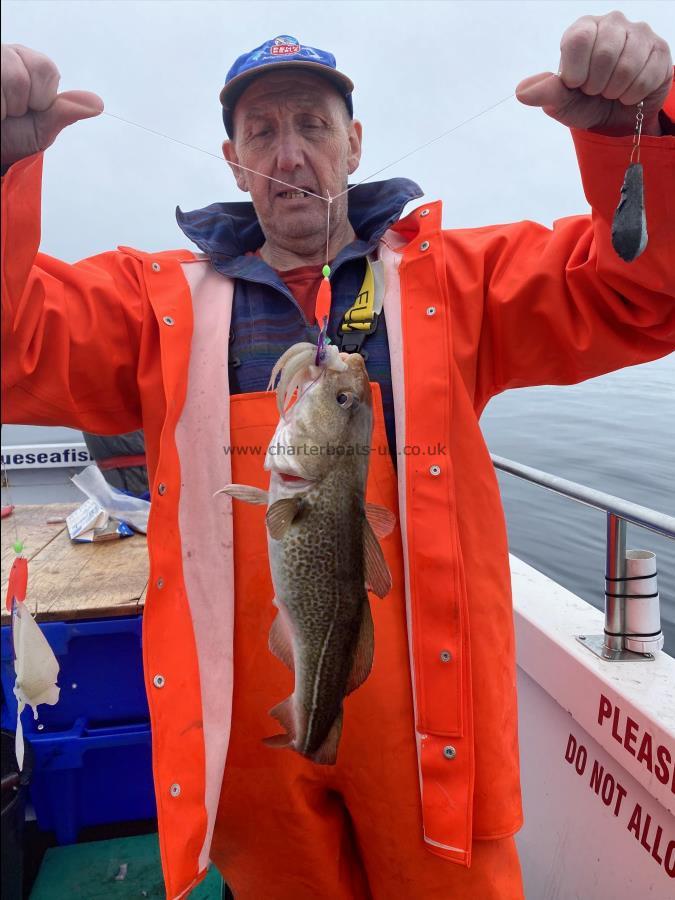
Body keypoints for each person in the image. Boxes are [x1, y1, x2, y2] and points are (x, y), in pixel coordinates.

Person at [2, 13, 674, 899]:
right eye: (263, 132)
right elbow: (17, 342)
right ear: (233, 159)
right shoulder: (153, 305)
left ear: (353, 144)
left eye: (313, 126)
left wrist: (643, 131)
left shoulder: (453, 281)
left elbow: (641, 293)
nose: (289, 156)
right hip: (249, 730)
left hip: (433, 725)